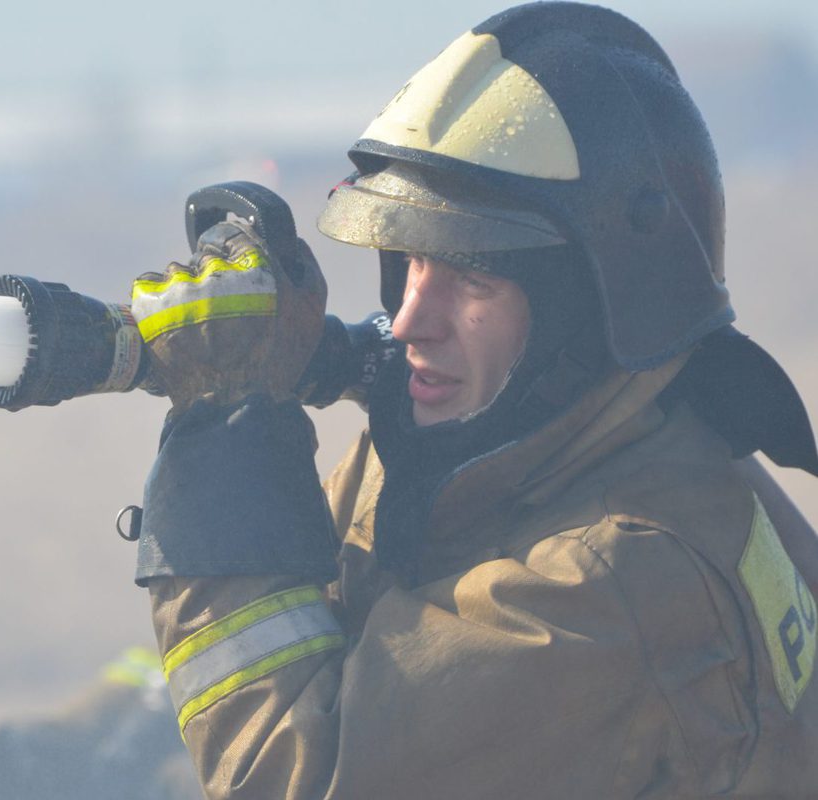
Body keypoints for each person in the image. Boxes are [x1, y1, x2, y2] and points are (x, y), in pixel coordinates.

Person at [129, 3, 818, 796]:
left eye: (472, 279)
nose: (412, 320)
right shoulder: (514, 447)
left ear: (587, 314)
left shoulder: (610, 579)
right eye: (411, 265)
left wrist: (225, 428)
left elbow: (299, 780)